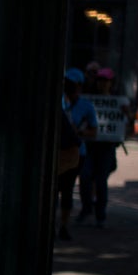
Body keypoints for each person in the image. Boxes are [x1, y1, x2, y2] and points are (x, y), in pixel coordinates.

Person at [79, 66, 131, 227]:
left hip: (107, 147)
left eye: (105, 81)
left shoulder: (118, 102)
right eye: (100, 81)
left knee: (101, 181)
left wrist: (127, 113)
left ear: (111, 83)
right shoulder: (89, 100)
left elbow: (128, 124)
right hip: (90, 145)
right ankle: (87, 208)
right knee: (85, 177)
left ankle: (100, 215)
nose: (102, 84)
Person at [57, 68, 97, 241]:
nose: (69, 87)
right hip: (56, 152)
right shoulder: (58, 102)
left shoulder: (86, 106)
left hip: (76, 154)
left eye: (72, 84)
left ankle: (64, 226)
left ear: (79, 86)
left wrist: (78, 133)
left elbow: (94, 131)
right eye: (67, 83)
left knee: (67, 191)